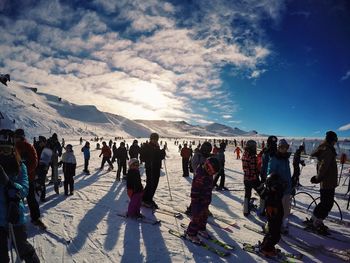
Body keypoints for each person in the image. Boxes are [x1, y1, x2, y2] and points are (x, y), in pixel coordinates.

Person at [0, 129, 40, 262]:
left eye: (6, 150)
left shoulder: (20, 166)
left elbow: (24, 188)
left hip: (15, 213)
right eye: (0, 150)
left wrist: (10, 185)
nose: (3, 153)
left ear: (12, 150)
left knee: (22, 247)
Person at [14, 129, 46, 229]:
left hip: (27, 178)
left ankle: (35, 218)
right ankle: (16, 219)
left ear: (21, 137)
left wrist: (24, 172)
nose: (15, 138)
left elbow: (34, 162)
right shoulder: (12, 147)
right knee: (16, 199)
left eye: (17, 137)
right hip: (16, 178)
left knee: (30, 198)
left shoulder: (28, 146)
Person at [185, 157, 220, 243]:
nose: (212, 174)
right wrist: (196, 200)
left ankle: (201, 229)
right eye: (211, 172)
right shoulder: (200, 176)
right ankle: (191, 234)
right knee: (196, 217)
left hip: (205, 200)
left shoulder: (208, 174)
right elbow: (195, 189)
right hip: (198, 200)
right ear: (207, 167)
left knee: (204, 215)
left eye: (213, 173)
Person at [309, 131, 338, 233]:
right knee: (327, 204)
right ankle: (317, 222)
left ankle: (314, 219)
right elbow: (324, 166)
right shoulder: (328, 150)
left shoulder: (326, 148)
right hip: (327, 181)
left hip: (327, 181)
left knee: (324, 203)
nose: (335, 143)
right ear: (332, 140)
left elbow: (324, 166)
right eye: (335, 140)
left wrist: (319, 177)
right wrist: (318, 177)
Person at [267, 139, 292, 234]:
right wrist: (277, 184)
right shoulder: (274, 158)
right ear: (279, 148)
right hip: (279, 190)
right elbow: (270, 174)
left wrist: (290, 185)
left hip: (287, 189)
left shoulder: (285, 158)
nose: (284, 149)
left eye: (285, 147)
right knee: (278, 210)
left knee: (286, 209)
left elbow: (288, 174)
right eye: (282, 147)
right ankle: (273, 226)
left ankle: (282, 224)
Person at [259, 172, 285, 257]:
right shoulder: (270, 195)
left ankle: (265, 245)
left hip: (277, 217)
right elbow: (271, 203)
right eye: (276, 187)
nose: (278, 189)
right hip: (274, 217)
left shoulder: (275, 193)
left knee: (272, 232)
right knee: (275, 235)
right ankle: (266, 249)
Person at [140, 133, 166, 209]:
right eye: (153, 139)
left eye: (156, 139)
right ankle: (145, 199)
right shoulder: (146, 146)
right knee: (150, 184)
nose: (155, 141)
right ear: (151, 139)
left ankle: (149, 198)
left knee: (155, 184)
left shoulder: (156, 147)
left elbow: (158, 157)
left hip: (156, 168)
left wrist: (162, 153)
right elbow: (142, 158)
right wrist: (151, 155)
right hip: (150, 167)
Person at [242, 140, 263, 216]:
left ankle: (246, 211)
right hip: (253, 179)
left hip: (246, 179)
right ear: (252, 147)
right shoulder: (252, 156)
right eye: (254, 147)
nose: (255, 148)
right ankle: (262, 210)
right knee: (262, 192)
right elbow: (254, 168)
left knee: (247, 194)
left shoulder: (245, 154)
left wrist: (260, 155)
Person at [259, 135, 278, 216]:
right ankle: (264, 210)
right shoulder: (269, 151)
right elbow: (265, 163)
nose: (274, 144)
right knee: (268, 194)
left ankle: (264, 210)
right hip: (269, 176)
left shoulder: (266, 150)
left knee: (266, 194)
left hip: (268, 175)